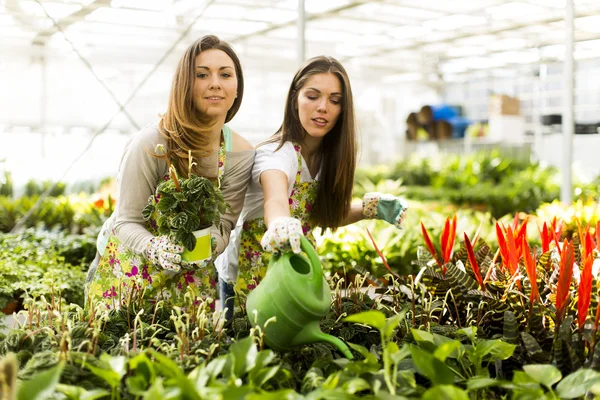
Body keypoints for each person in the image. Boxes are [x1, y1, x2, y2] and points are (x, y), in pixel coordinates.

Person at [215, 55, 407, 320]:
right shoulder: (276, 154)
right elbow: (276, 200)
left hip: (295, 268)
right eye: (312, 96)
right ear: (295, 99)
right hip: (249, 272)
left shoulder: (329, 158)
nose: (323, 107)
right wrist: (281, 224)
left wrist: (368, 208)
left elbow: (318, 215)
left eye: (335, 100)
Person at [85, 35, 255, 310]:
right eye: (202, 74)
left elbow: (224, 224)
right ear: (185, 85)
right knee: (120, 345)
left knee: (186, 349)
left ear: (237, 87)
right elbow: (126, 221)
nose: (215, 83)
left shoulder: (241, 153)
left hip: (190, 274)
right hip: (128, 267)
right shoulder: (152, 143)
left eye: (225, 74)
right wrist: (154, 247)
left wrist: (207, 246)